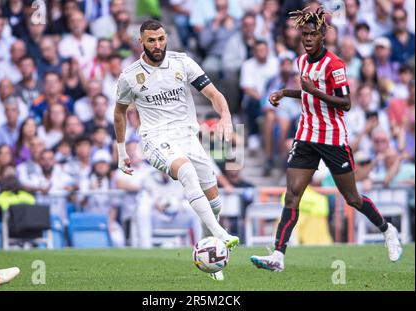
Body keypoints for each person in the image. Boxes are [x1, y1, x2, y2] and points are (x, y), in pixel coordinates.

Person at [250, 7, 402, 272]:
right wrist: (285, 92)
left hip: (332, 138)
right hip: (306, 135)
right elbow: (307, 94)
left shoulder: (335, 65)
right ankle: (278, 255)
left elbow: (346, 103)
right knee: (292, 196)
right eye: (304, 34)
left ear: (323, 35)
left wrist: (315, 91)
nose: (307, 39)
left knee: (352, 198)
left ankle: (387, 230)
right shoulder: (301, 61)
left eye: (312, 34)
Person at [114, 20, 239, 281]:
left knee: (214, 199)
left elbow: (214, 95)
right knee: (186, 172)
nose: (157, 45)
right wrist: (121, 150)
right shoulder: (129, 76)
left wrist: (226, 117)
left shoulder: (183, 62)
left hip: (188, 137)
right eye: (151, 40)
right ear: (141, 42)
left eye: (161, 39)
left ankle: (212, 255)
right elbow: (120, 112)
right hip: (155, 139)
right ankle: (220, 234)